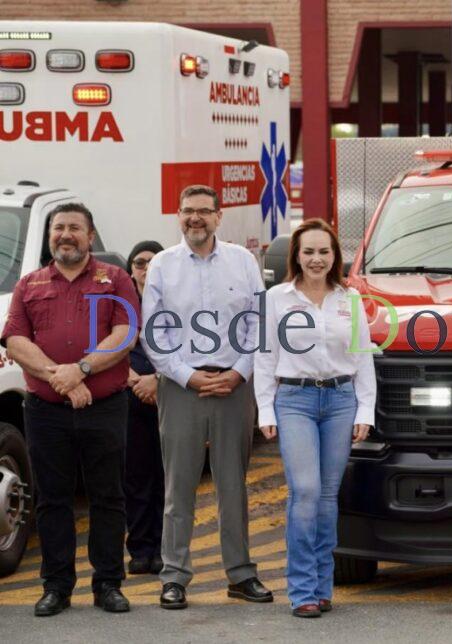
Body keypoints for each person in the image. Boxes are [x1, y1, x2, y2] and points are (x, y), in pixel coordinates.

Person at [1, 203, 138, 616]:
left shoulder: (115, 278)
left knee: (108, 497)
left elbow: (126, 332)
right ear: (50, 237)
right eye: (58, 227)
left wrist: (81, 370)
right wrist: (59, 376)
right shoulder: (29, 284)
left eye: (74, 227)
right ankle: (56, 586)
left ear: (90, 236)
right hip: (46, 410)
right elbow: (15, 340)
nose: (65, 234)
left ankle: (108, 584)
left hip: (105, 407)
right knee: (52, 500)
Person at [142, 185, 272, 609]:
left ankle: (240, 573)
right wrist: (189, 377)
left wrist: (238, 373)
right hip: (182, 387)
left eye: (203, 211)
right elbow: (154, 333)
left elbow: (258, 322)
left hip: (235, 385)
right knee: (178, 486)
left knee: (233, 485)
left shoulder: (243, 261)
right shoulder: (163, 265)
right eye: (187, 211)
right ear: (178, 216)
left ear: (219, 216)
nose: (195, 218)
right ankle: (174, 577)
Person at [254, 218, 375, 617]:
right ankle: (302, 588)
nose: (316, 259)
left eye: (324, 251)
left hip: (341, 400)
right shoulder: (276, 299)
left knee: (326, 497)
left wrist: (365, 409)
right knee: (305, 491)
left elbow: (362, 357)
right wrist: (265, 409)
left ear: (335, 256)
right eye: (308, 251)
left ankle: (323, 587)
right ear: (296, 255)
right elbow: (264, 356)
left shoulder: (349, 299)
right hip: (295, 401)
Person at [123, 241, 166, 575]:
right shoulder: (119, 305)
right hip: (129, 395)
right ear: (130, 269)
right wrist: (133, 379)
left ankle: (164, 548)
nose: (146, 268)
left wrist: (158, 380)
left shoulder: (174, 302)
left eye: (153, 262)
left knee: (167, 475)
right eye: (139, 263)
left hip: (170, 395)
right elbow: (104, 344)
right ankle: (140, 549)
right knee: (136, 475)